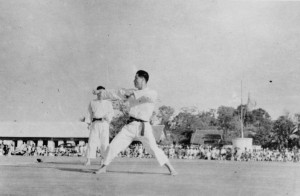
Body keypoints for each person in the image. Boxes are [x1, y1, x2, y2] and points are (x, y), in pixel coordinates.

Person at [93, 70, 177, 175]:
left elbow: (146, 96)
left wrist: (132, 93)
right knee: (113, 145)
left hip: (144, 127)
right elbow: (116, 93)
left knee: (153, 149)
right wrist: (101, 92)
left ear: (142, 79)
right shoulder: (130, 92)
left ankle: (170, 168)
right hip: (130, 125)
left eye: (136, 78)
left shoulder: (152, 93)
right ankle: (103, 167)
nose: (134, 81)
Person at [84, 86, 114, 166]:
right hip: (95, 123)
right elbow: (89, 113)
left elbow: (111, 113)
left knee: (104, 142)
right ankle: (88, 160)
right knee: (91, 141)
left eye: (102, 92)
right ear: (96, 92)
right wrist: (88, 123)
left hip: (104, 123)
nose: (101, 94)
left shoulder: (108, 103)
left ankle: (103, 160)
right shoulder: (92, 102)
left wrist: (107, 118)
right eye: (99, 92)